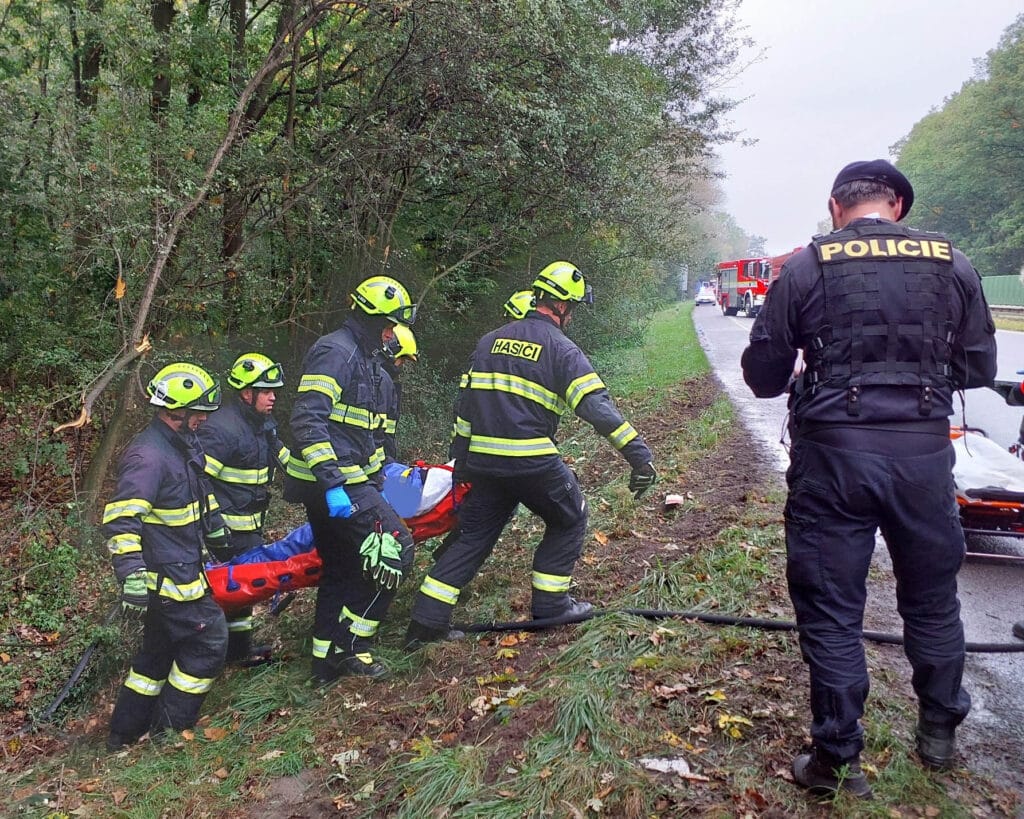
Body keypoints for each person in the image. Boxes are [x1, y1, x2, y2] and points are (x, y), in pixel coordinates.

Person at [741, 160, 997, 798]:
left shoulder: (806, 267)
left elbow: (764, 378)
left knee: (832, 611)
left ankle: (837, 763)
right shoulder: (953, 263)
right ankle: (939, 736)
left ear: (836, 208)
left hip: (833, 460)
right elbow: (979, 367)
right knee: (934, 601)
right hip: (922, 459)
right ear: (898, 208)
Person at [405, 260, 658, 647]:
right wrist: (638, 456)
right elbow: (596, 407)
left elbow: (466, 407)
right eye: (572, 308)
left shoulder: (488, 341)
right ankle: (552, 605)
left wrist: (461, 463)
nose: (572, 316)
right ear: (562, 306)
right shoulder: (562, 349)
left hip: (484, 462)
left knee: (473, 537)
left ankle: (425, 623)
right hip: (531, 460)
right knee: (570, 516)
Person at [284, 275, 418, 684]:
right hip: (332, 483)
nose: (394, 332)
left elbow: (369, 434)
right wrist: (333, 483)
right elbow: (308, 419)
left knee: (342, 568)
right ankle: (353, 647)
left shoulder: (367, 363)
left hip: (348, 480)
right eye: (391, 323)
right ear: (375, 319)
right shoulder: (335, 351)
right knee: (395, 549)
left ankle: (324, 662)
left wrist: (378, 479)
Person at [103, 362, 229, 750]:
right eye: (200, 411)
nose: (205, 418)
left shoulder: (181, 446)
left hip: (183, 565)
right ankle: (170, 732)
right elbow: (122, 520)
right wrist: (132, 574)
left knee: (156, 653)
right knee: (209, 641)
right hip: (167, 577)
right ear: (178, 411)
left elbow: (197, 495)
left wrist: (219, 531)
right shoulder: (149, 457)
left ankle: (123, 732)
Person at [196, 353, 289, 666]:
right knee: (222, 591)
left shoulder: (263, 424)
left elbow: (285, 458)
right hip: (225, 530)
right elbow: (197, 482)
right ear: (247, 394)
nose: (273, 396)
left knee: (243, 590)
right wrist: (212, 527)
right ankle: (210, 654)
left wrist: (321, 478)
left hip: (249, 527)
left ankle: (239, 650)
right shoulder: (222, 430)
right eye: (266, 391)